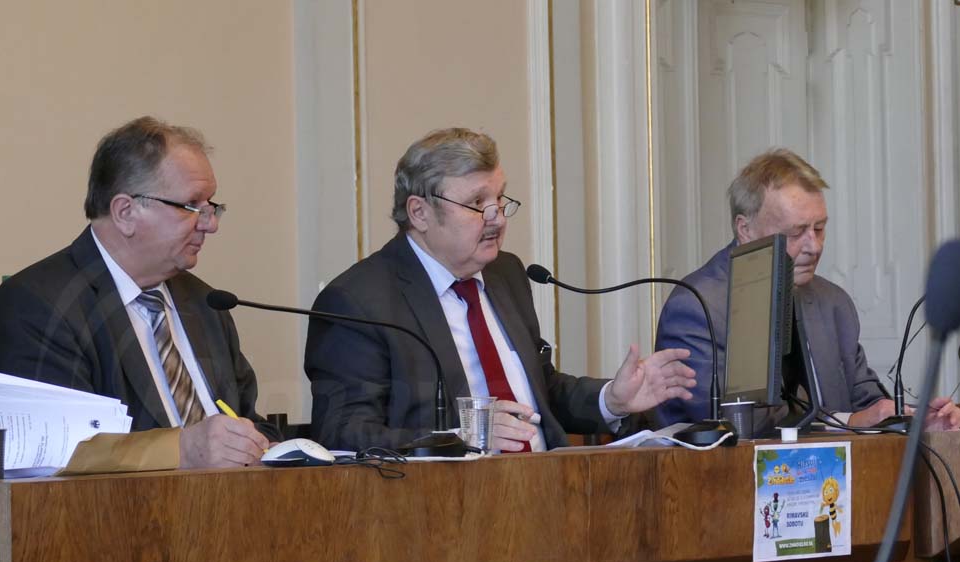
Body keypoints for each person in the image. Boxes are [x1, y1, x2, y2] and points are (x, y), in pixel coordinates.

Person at [304, 127, 697, 452]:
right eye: (477, 202)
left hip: (549, 487)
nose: (496, 217)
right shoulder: (358, 301)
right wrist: (463, 438)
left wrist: (612, 399)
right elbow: (342, 432)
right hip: (441, 506)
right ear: (419, 212)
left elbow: (540, 389)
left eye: (499, 197)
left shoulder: (504, 273)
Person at [0, 117, 275, 469]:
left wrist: (269, 447)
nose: (210, 224)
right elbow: (53, 450)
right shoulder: (39, 304)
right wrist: (183, 449)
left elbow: (246, 420)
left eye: (212, 207)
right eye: (192, 206)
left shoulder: (206, 304)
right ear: (125, 212)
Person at [655, 148, 960, 430]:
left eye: (819, 228)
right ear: (745, 229)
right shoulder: (696, 307)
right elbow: (736, 424)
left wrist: (914, 422)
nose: (814, 247)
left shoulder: (834, 302)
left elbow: (868, 403)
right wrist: (849, 421)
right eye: (796, 232)